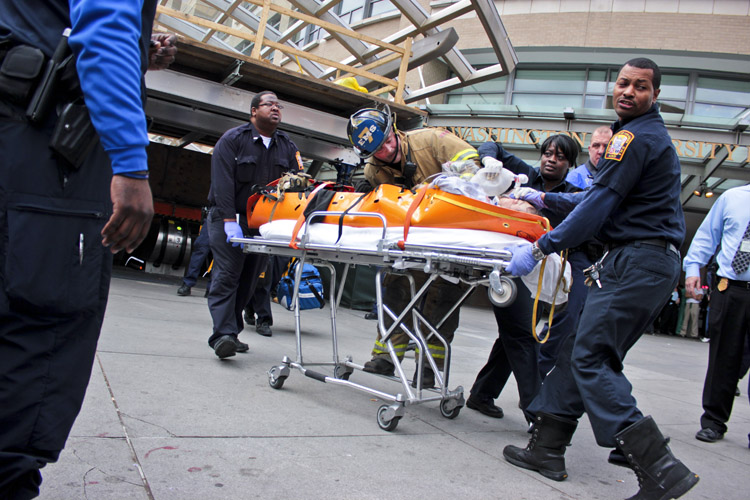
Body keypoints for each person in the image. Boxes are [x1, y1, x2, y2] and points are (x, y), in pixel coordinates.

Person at [501, 58, 698, 500]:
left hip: (636, 262)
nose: (629, 91)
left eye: (641, 87)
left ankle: (660, 468)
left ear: (655, 95)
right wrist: (544, 197)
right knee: (576, 353)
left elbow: (596, 208)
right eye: (624, 83)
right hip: (641, 262)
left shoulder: (633, 138)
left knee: (590, 357)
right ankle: (547, 448)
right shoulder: (639, 137)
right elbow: (596, 198)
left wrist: (539, 248)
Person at [0, 2, 175, 497]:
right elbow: (104, 27)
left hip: (18, 135)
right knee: (41, 322)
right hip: (48, 148)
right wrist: (131, 162)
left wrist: (140, 52)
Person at [347, 105, 479, 388]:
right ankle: (385, 357)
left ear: (394, 130)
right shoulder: (374, 169)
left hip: (452, 234)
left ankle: (428, 370)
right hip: (412, 241)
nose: (386, 150)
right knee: (396, 290)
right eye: (378, 150)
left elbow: (473, 171)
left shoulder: (432, 141)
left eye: (388, 141)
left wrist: (445, 189)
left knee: (442, 300)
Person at [468, 134, 581, 420]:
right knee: (520, 334)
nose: (551, 160)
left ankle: (482, 394)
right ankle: (535, 409)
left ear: (569, 164)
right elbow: (492, 146)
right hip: (511, 267)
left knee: (513, 334)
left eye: (559, 156)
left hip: (541, 272)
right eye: (547, 153)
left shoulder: (570, 195)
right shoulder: (526, 177)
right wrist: (489, 160)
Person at [206, 91, 303, 359]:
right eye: (269, 104)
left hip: (262, 225)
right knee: (227, 275)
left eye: (278, 104)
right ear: (253, 112)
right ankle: (221, 335)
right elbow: (222, 183)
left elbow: (296, 187)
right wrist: (228, 220)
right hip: (229, 218)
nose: (276, 108)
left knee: (250, 281)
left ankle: (231, 333)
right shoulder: (233, 140)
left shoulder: (288, 146)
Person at [682, 183, 750, 445]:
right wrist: (692, 270)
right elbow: (707, 236)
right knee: (724, 356)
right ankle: (713, 421)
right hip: (729, 288)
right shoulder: (733, 198)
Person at [243, 256, 287, 337]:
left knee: (275, 276)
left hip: (282, 245)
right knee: (263, 280)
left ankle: (250, 305)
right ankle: (263, 320)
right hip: (265, 248)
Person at [177, 208, 212, 297]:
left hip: (229, 217)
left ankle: (211, 288)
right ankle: (187, 284)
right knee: (200, 250)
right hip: (214, 216)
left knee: (221, 255)